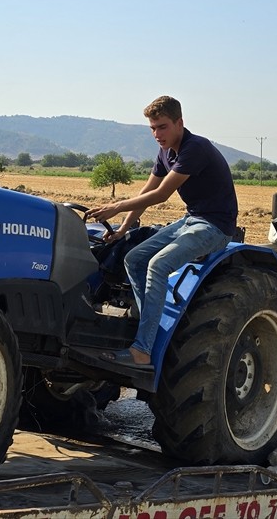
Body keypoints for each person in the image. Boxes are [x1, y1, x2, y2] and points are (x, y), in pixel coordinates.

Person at [84, 96, 238, 370]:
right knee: (134, 259)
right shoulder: (165, 152)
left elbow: (161, 195)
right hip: (191, 219)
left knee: (158, 264)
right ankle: (148, 328)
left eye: (162, 127)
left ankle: (143, 350)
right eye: (152, 128)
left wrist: (115, 206)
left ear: (179, 122)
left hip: (215, 226)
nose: (157, 134)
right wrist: (122, 228)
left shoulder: (195, 148)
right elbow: (145, 192)